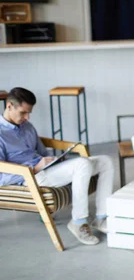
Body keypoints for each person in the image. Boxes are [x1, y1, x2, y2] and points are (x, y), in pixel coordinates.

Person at [0, 87, 114, 246]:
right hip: (30, 177)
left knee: (105, 161)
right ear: (9, 106)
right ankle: (78, 222)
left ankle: (101, 218)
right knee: (82, 164)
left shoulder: (27, 127)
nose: (27, 117)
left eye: (29, 113)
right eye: (23, 113)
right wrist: (35, 169)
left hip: (46, 169)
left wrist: (54, 160)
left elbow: (41, 152)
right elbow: (1, 176)